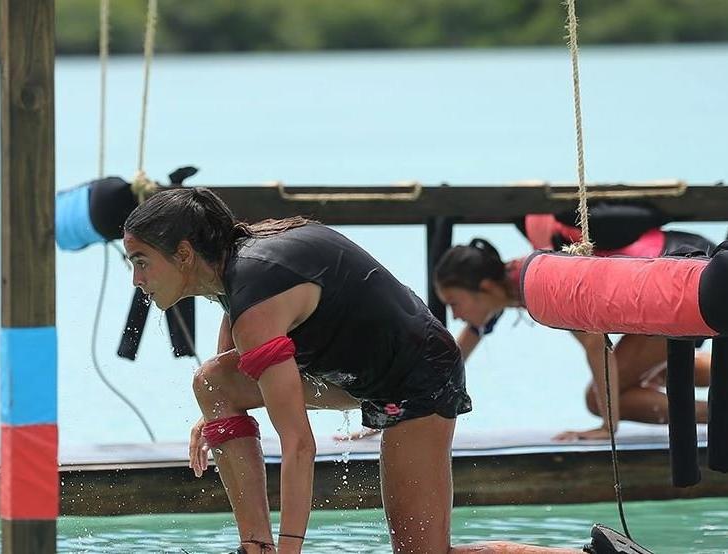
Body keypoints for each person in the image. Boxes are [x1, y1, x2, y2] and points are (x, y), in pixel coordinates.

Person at [122, 187, 629, 554]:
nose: (137, 279)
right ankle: (254, 547)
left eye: (141, 261)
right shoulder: (235, 266)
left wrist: (292, 545)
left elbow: (298, 446)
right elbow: (227, 355)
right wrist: (217, 412)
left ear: (183, 254)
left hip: (418, 376)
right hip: (357, 371)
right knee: (212, 382)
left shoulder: (256, 284)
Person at [433, 219, 714, 442]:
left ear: (485, 288)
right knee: (654, 371)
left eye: (454, 303)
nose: (455, 315)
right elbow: (456, 355)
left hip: (676, 276)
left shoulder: (535, 284)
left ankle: (720, 415)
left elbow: (596, 344)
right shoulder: (507, 285)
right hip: (686, 264)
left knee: (597, 400)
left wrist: (607, 426)